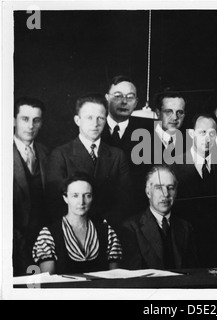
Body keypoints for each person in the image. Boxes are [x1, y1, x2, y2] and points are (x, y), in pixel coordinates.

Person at [46, 93, 130, 229]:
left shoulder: (117, 155)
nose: (95, 124)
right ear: (77, 120)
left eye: (100, 118)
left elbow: (124, 198)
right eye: (89, 118)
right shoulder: (60, 154)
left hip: (108, 229)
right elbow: (55, 201)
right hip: (72, 230)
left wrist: (106, 225)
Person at [33, 173, 123, 274]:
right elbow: (48, 283)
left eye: (87, 195)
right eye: (75, 196)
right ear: (65, 198)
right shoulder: (48, 235)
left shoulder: (107, 232)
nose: (81, 202)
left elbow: (115, 279)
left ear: (92, 198)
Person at [120, 166, 199, 270]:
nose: (165, 194)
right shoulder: (131, 228)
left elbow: (193, 271)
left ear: (176, 192)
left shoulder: (186, 227)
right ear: (148, 192)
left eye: (170, 188)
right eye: (159, 188)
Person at [171, 113, 217, 267]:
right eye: (202, 133)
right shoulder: (175, 167)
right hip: (184, 245)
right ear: (192, 134)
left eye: (212, 133)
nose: (207, 138)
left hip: (215, 245)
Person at [102, 75, 154, 214]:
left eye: (130, 97)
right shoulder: (94, 128)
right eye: (118, 96)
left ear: (136, 102)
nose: (124, 101)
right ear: (107, 97)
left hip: (135, 213)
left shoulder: (148, 132)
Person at [13, 97, 49, 276]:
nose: (30, 126)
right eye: (25, 119)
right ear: (13, 120)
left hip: (40, 243)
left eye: (36, 120)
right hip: (11, 241)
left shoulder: (46, 153)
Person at [153, 90, 187, 163]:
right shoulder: (141, 140)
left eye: (180, 112)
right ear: (158, 113)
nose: (175, 117)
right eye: (168, 112)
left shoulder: (190, 143)